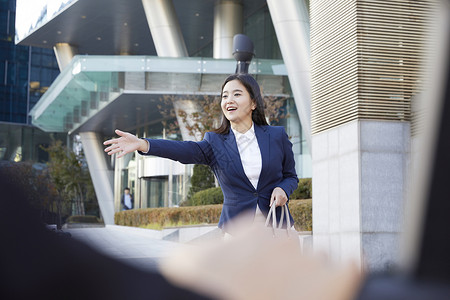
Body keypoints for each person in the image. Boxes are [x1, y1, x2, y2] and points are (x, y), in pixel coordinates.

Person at [104, 74, 299, 233]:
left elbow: (290, 176)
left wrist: (283, 190)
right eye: (224, 96)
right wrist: (143, 143)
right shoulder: (214, 142)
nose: (228, 100)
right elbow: (183, 150)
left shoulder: (276, 136)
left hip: (277, 227)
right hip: (237, 233)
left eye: (237, 94)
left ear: (253, 103)